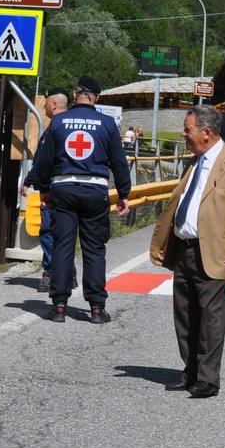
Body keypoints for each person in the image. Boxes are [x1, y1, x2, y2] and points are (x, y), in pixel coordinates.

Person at [149, 105, 225, 399]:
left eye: (188, 130)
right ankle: (190, 370)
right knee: (185, 315)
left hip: (215, 251)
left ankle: (208, 379)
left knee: (211, 318)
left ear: (207, 133)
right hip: (184, 249)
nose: (183, 135)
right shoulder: (194, 161)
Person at [29, 75, 130, 323]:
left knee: (63, 247)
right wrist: (123, 193)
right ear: (97, 98)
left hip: (63, 190)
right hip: (95, 190)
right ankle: (96, 308)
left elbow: (44, 160)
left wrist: (43, 190)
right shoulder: (107, 124)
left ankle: (59, 306)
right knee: (94, 249)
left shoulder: (59, 121)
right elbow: (119, 161)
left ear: (75, 95)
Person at [20, 92, 69, 291]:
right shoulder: (68, 126)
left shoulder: (54, 128)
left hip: (51, 190)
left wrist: (34, 183)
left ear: (55, 105)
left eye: (47, 104)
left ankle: (50, 272)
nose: (44, 108)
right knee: (65, 233)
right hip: (68, 189)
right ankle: (68, 272)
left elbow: (43, 161)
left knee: (48, 231)